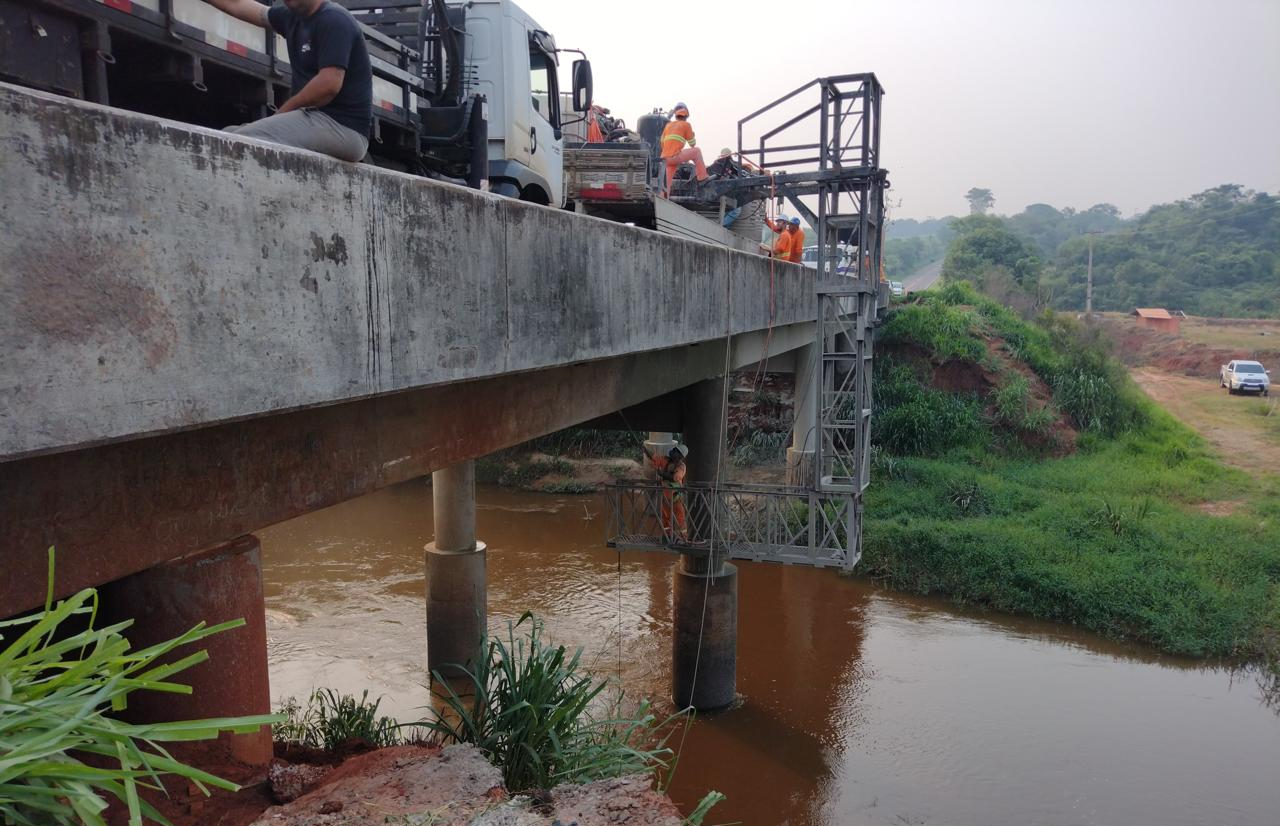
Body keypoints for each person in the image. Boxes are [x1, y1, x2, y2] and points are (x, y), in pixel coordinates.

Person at [199, 0, 372, 162]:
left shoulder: (334, 20)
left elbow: (328, 85)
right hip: (316, 119)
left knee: (234, 141)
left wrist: (283, 112)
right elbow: (239, 4)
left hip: (343, 128)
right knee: (227, 134)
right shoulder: (291, 18)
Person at [642, 443, 690, 544]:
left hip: (675, 496)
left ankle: (684, 538)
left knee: (680, 517)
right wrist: (646, 450)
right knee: (665, 517)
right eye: (674, 450)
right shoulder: (665, 460)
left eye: (675, 451)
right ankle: (667, 536)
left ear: (680, 456)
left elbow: (676, 478)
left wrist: (662, 474)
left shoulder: (681, 466)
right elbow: (654, 457)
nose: (672, 452)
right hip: (666, 496)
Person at [659, 103, 709, 195]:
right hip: (675, 156)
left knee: (666, 184)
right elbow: (692, 144)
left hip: (665, 158)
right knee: (697, 151)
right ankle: (702, 177)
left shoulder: (668, 126)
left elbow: (662, 142)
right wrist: (692, 135)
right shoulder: (686, 125)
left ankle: (663, 198)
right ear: (686, 115)